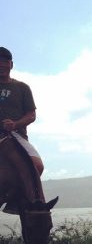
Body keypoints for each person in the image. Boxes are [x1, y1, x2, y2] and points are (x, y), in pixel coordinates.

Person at [0, 46, 44, 214]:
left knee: (37, 166)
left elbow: (31, 115)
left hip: (16, 136)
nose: (2, 65)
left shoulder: (22, 87)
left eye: (5, 62)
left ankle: (14, 201)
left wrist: (16, 124)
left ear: (11, 64)